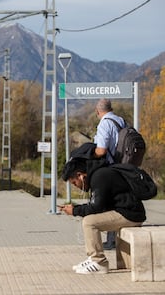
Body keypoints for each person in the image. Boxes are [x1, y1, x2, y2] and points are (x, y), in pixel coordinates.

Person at [59, 157, 146, 274]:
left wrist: (75, 211)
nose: (76, 186)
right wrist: (76, 209)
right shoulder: (98, 174)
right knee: (90, 220)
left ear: (80, 175)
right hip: (128, 211)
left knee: (89, 222)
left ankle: (99, 262)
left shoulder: (99, 177)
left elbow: (96, 207)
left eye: (74, 182)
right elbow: (98, 205)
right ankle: (93, 259)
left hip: (130, 214)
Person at [93, 98, 126, 249]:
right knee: (119, 202)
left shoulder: (104, 123)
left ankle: (111, 240)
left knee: (109, 204)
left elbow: (101, 150)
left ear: (97, 111)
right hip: (124, 167)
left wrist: (91, 153)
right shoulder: (121, 121)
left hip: (111, 168)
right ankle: (117, 238)